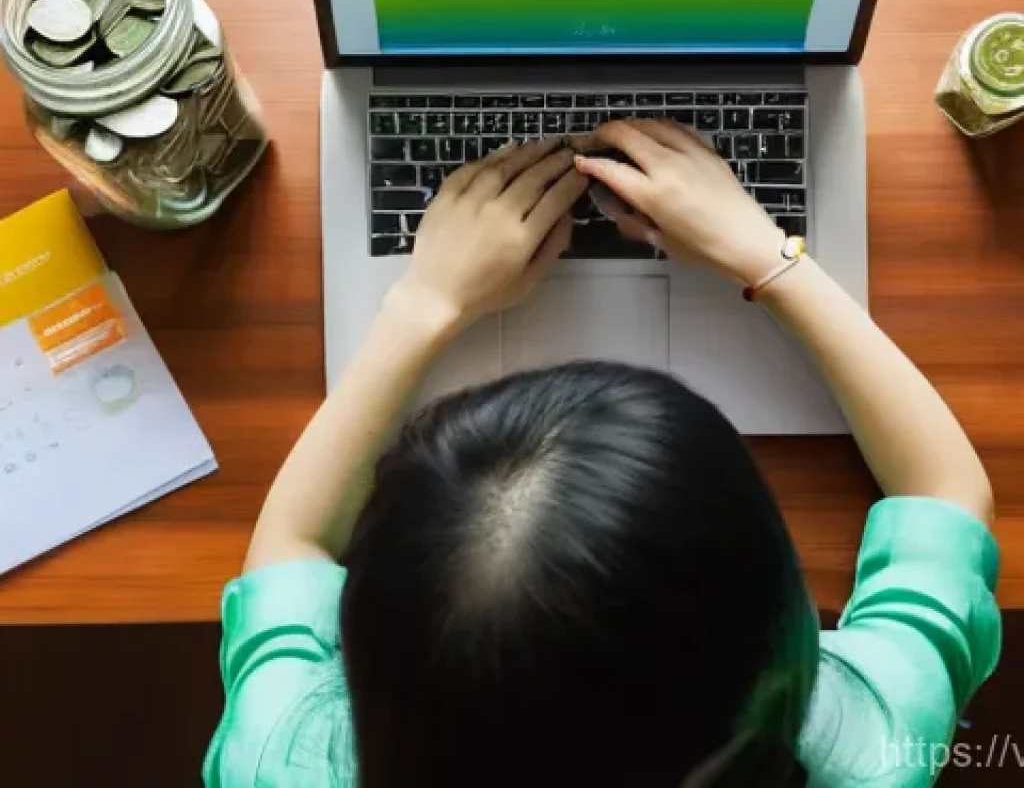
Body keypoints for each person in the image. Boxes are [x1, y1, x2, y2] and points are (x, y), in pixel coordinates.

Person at [203, 122, 1000, 788]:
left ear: (369, 647)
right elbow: (944, 487)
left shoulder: (285, 759)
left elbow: (290, 546)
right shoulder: (869, 743)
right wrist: (768, 254)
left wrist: (423, 304)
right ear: (784, 631)